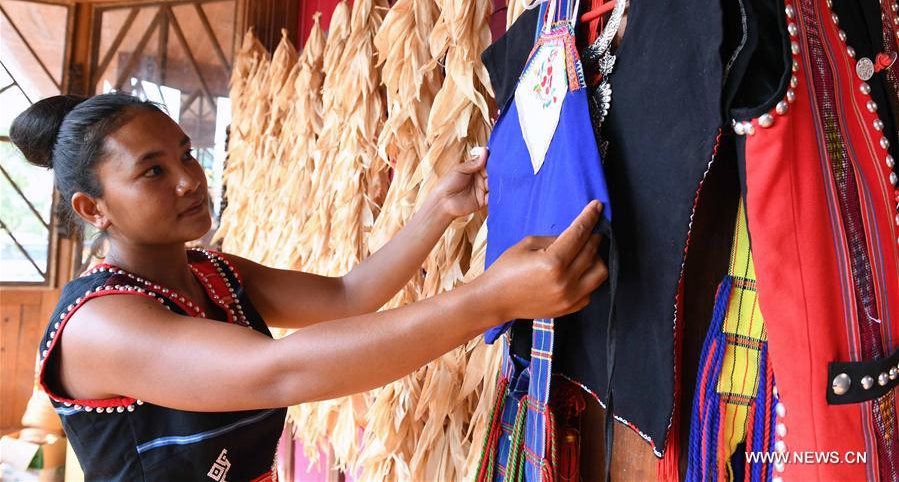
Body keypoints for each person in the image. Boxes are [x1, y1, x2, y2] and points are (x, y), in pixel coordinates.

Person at [10, 93, 608, 480]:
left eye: (187, 156)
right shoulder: (100, 324)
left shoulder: (216, 273)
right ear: (94, 209)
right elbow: (277, 371)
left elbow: (347, 297)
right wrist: (490, 299)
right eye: (154, 171)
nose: (190, 181)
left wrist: (437, 211)